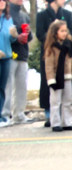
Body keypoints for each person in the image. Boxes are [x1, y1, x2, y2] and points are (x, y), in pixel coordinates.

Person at [36, 0, 72, 127]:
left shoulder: (67, 14)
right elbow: (39, 33)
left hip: (67, 71)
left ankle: (67, 121)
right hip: (51, 54)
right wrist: (53, 42)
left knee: (67, 98)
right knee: (53, 94)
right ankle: (53, 119)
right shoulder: (42, 15)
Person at [44, 20, 72, 132]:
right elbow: (49, 66)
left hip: (68, 77)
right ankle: (55, 123)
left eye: (65, 31)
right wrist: (51, 80)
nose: (64, 33)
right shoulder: (52, 47)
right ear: (55, 33)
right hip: (56, 79)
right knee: (55, 102)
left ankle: (67, 122)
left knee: (68, 100)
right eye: (62, 31)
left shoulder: (69, 45)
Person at [2, 0, 33, 125]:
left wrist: (28, 34)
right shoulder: (6, 15)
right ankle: (5, 114)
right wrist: (16, 37)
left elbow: (29, 38)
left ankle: (19, 114)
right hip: (10, 54)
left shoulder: (24, 15)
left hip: (23, 54)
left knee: (22, 87)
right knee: (7, 87)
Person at [0, 0, 17, 128]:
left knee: (2, 87)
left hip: (6, 56)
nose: (2, 2)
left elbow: (11, 38)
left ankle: (1, 116)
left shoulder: (7, 19)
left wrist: (14, 36)